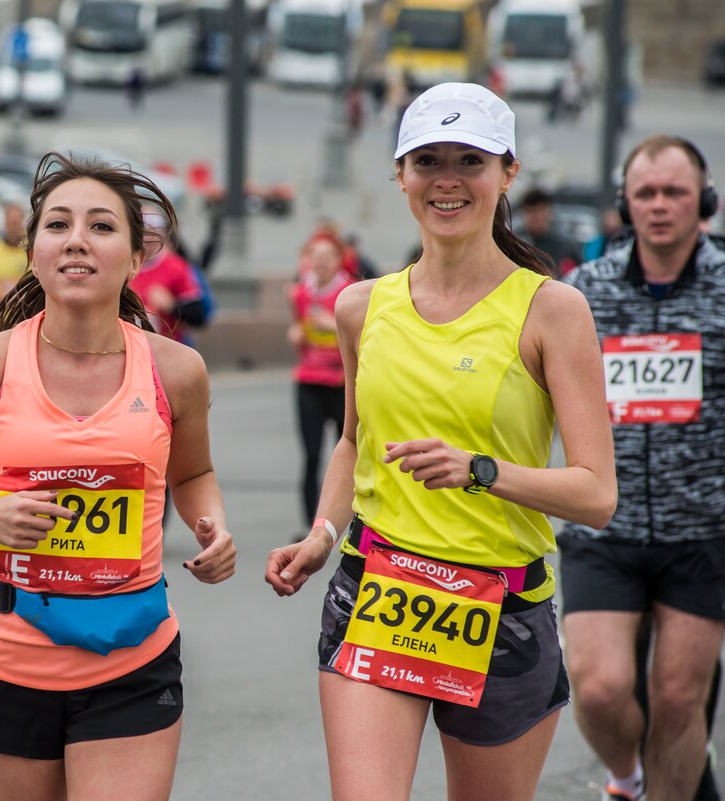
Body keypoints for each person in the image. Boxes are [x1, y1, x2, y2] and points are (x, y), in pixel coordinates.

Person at [264, 82, 617, 801]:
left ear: (506, 173)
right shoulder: (361, 305)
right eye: (427, 161)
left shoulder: (552, 309)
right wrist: (323, 532)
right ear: (400, 175)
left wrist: (481, 470)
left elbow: (596, 494)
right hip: (378, 589)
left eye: (470, 160)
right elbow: (353, 442)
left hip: (501, 607)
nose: (447, 180)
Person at [0, 152, 236, 800]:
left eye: (101, 226)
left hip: (131, 654)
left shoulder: (176, 370)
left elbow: (195, 473)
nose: (77, 239)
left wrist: (210, 525)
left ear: (135, 257)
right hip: (7, 655)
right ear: (34, 250)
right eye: (58, 225)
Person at [560, 134, 725, 801]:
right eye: (645, 194)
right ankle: (627, 778)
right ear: (626, 203)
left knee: (680, 698)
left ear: (703, 200)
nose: (659, 206)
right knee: (599, 691)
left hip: (703, 531)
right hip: (605, 526)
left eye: (674, 192)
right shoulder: (584, 291)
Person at [288, 234, 352, 543]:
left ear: (339, 260)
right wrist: (297, 332)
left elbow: (366, 337)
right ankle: (311, 525)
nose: (321, 262)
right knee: (311, 455)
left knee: (348, 451)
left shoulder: (350, 293)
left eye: (328, 256)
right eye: (316, 256)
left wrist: (335, 327)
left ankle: (352, 521)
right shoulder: (301, 293)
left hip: (341, 384)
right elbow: (299, 324)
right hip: (309, 380)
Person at [129, 216, 208, 345]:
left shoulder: (176, 266)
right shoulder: (123, 264)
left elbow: (199, 316)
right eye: (144, 232)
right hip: (131, 346)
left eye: (154, 233)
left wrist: (172, 306)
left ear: (163, 236)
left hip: (168, 347)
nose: (147, 238)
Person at [518, 187, 584, 275]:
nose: (538, 217)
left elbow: (581, 273)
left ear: (550, 212)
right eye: (533, 211)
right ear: (524, 213)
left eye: (541, 210)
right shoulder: (516, 242)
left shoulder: (563, 244)